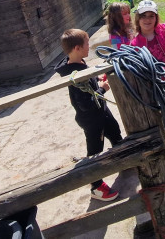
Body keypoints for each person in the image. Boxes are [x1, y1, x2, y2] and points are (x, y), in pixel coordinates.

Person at [55, 28, 123, 202]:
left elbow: (89, 88)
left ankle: (124, 159)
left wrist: (96, 80)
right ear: (77, 48)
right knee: (95, 152)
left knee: (115, 133)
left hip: (102, 112)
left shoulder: (78, 63)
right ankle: (96, 186)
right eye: (86, 44)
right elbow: (86, 105)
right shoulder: (74, 75)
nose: (89, 46)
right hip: (92, 120)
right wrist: (102, 89)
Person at [129, 0, 165, 68]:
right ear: (138, 18)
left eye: (151, 16)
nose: (147, 20)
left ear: (156, 18)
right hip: (153, 78)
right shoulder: (135, 44)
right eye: (143, 16)